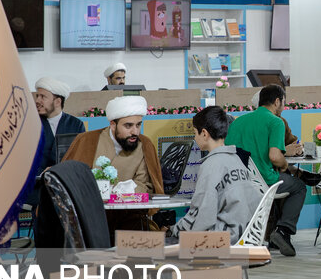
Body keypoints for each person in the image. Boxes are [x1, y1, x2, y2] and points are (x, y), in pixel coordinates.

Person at [226, 84, 306, 257]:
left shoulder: (238, 122)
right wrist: (284, 165)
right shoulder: (275, 122)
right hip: (265, 182)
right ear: (277, 101)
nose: (284, 107)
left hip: (238, 181)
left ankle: (275, 235)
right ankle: (283, 231)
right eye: (284, 102)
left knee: (284, 182)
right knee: (299, 186)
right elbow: (275, 156)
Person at [63, 95, 164, 232]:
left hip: (128, 216)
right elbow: (70, 181)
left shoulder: (144, 145)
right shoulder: (88, 140)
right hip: (90, 215)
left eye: (138, 125)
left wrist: (121, 192)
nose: (135, 132)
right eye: (128, 126)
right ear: (113, 124)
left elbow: (145, 185)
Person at [174, 106, 263, 240]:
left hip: (224, 238)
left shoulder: (211, 165)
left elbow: (201, 216)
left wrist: (174, 230)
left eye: (195, 133)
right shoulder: (237, 160)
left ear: (204, 133)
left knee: (166, 241)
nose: (194, 138)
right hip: (247, 235)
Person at [34, 77, 85, 171]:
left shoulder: (76, 125)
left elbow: (80, 157)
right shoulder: (32, 124)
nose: (37, 101)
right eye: (37, 96)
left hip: (66, 177)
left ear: (57, 102)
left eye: (43, 97)